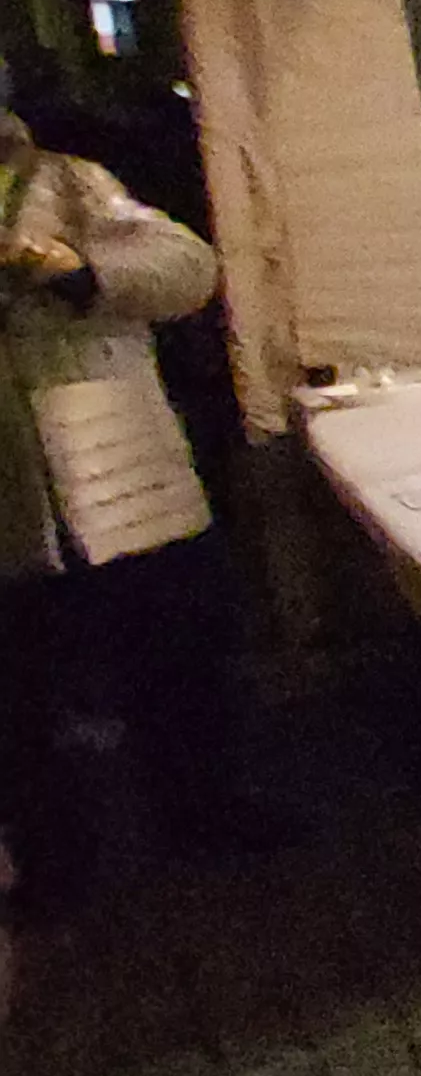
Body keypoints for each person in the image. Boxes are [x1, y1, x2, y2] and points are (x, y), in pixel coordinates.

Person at [0, 53, 223, 907]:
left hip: (118, 465)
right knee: (24, 700)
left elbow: (187, 269)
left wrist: (77, 272)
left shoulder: (68, 180)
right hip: (11, 497)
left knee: (173, 655)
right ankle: (56, 862)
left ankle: (203, 811)